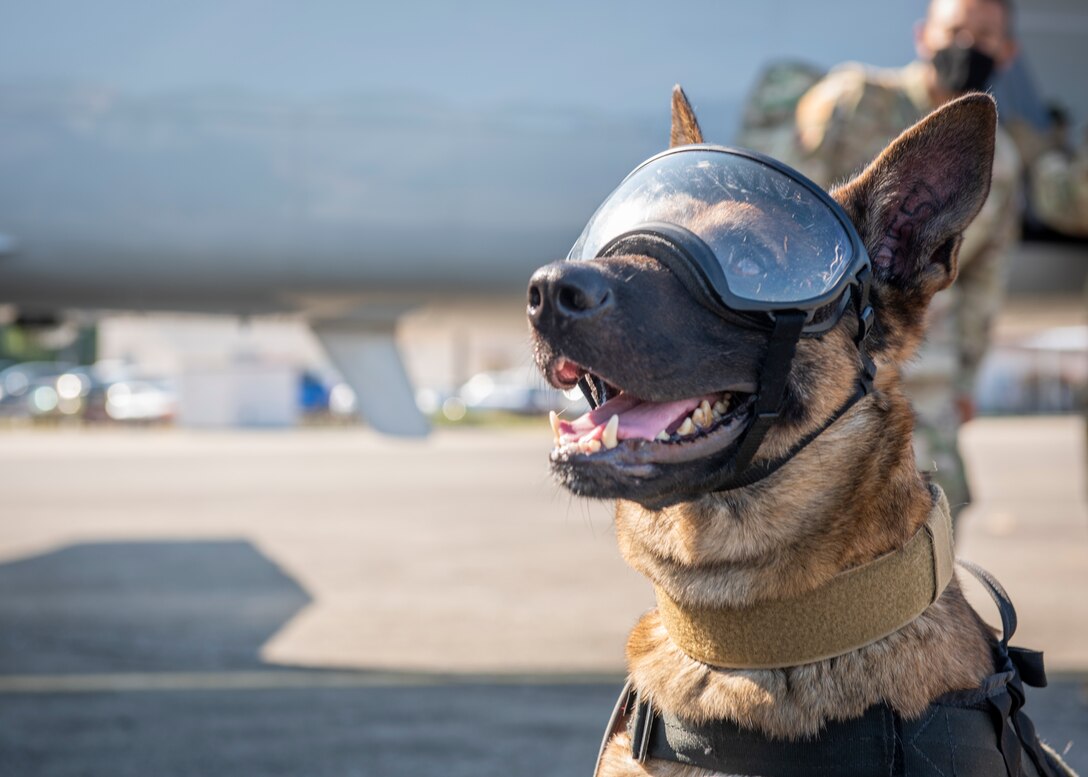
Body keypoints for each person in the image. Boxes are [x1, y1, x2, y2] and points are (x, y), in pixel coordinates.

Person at [738, 0, 1068, 520]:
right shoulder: (855, 101)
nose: (967, 46)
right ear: (922, 36)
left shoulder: (996, 159)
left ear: (1007, 52)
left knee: (932, 505)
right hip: (825, 347)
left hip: (926, 363)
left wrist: (966, 381)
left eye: (984, 35)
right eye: (954, 30)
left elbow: (984, 279)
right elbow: (777, 204)